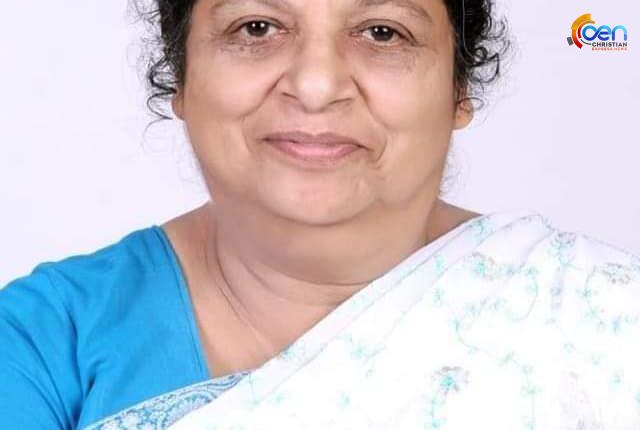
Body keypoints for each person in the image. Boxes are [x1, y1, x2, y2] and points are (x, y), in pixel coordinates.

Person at [1, 0, 638, 429]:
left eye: (382, 32)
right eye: (256, 27)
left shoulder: (599, 319)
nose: (315, 85)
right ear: (181, 76)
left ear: (459, 88)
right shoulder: (42, 343)